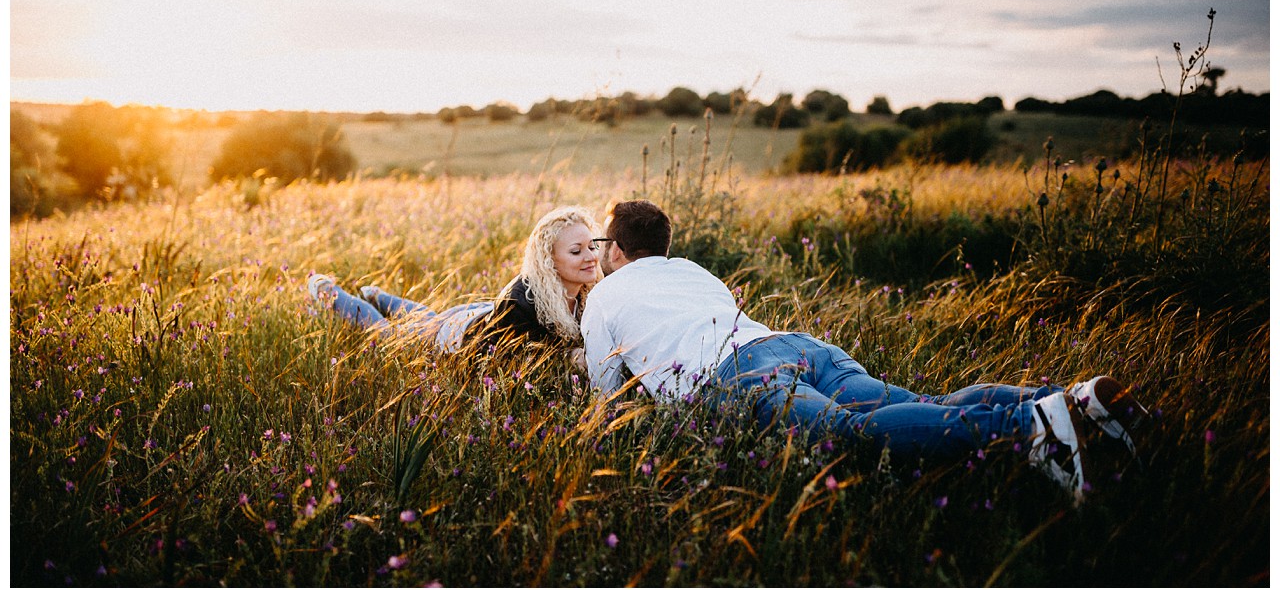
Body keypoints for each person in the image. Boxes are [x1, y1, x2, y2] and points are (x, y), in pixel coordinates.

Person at [581, 199, 1148, 503]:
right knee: (920, 403)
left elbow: (608, 393)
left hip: (739, 378)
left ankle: (1030, 421)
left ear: (620, 250)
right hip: (794, 346)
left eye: (604, 244)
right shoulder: (691, 269)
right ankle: (1072, 401)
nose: (599, 253)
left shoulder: (605, 293)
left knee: (853, 437)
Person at [307, 205, 601, 355]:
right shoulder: (523, 303)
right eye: (576, 251)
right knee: (391, 335)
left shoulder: (593, 292)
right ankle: (327, 291)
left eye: (591, 246)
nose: (590, 257)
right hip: (461, 336)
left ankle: (377, 295)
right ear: (549, 261)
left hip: (481, 312)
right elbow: (518, 362)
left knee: (427, 319)